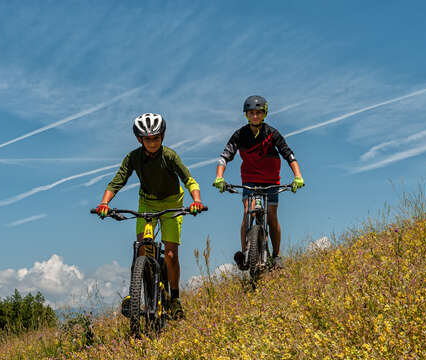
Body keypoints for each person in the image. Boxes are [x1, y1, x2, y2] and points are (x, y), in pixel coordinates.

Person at [95, 113, 203, 320]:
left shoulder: (170, 156)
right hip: (148, 202)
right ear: (139, 139)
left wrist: (196, 200)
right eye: (147, 139)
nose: (152, 143)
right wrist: (104, 203)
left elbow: (189, 179)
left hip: (172, 203)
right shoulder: (133, 157)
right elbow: (117, 181)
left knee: (170, 254)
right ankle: (134, 294)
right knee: (142, 247)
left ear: (162, 136)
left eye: (155, 138)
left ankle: (175, 299)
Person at [213, 95, 304, 270]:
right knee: (249, 211)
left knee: (272, 216)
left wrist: (297, 176)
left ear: (264, 114)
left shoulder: (272, 133)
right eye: (251, 113)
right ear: (246, 115)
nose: (255, 116)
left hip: (271, 181)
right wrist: (219, 177)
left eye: (258, 113)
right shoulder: (240, 135)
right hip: (250, 180)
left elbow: (288, 154)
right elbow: (225, 157)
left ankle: (276, 256)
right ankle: (246, 253)